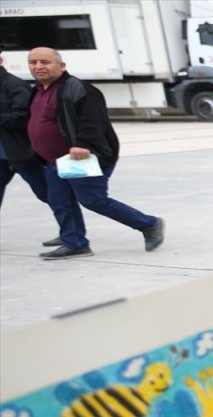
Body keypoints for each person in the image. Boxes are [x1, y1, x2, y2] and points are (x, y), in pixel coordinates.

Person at [26, 47, 164, 259]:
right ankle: (75, 243)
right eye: (33, 62)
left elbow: (94, 120)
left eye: (45, 62)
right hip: (55, 161)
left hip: (81, 158)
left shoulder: (78, 88)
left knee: (93, 199)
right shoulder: (37, 89)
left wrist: (83, 143)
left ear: (62, 66)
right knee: (59, 200)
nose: (38, 67)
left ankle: (149, 224)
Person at [0, 50, 56, 235]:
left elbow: (24, 117)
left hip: (22, 153)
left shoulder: (14, 85)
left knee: (48, 194)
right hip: (2, 156)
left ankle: (71, 234)